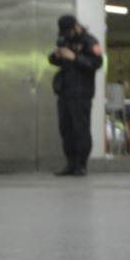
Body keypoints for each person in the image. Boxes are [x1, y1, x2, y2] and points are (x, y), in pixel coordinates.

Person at [48, 14, 104, 176]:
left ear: (77, 27)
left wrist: (74, 57)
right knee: (65, 129)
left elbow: (96, 63)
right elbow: (52, 59)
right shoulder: (64, 40)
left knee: (80, 129)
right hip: (65, 91)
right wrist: (57, 56)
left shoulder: (89, 41)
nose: (67, 36)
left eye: (69, 32)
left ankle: (81, 164)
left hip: (81, 93)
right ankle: (70, 163)